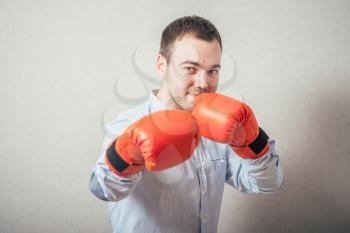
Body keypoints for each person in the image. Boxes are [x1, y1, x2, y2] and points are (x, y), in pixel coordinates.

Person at [89, 15, 284, 233]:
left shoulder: (220, 125)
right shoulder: (128, 124)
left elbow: (267, 184)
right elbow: (103, 189)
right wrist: (129, 152)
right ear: (162, 65)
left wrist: (252, 141)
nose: (203, 83)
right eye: (190, 68)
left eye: (213, 71)